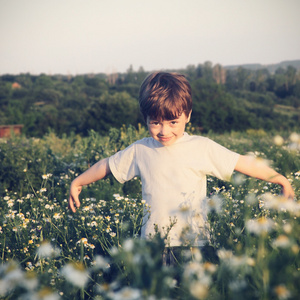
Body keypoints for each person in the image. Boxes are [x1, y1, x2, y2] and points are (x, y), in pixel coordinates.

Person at [69, 72, 295, 255]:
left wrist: (280, 180)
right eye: (155, 122)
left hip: (195, 244)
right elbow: (107, 166)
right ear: (145, 118)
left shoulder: (202, 147)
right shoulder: (140, 150)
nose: (164, 131)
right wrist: (78, 182)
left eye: (173, 122)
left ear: (188, 115)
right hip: (153, 245)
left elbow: (241, 163)